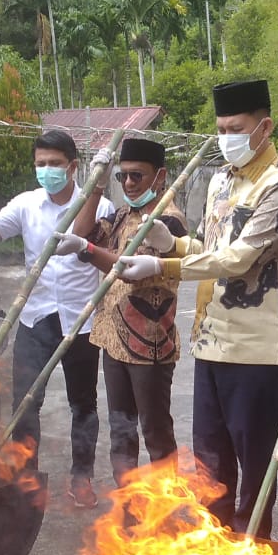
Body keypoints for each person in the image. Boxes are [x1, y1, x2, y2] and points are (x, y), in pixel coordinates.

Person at [116, 80, 278, 538]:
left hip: (254, 345)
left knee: (254, 458)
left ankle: (253, 551)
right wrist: (175, 242)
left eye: (235, 128)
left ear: (264, 127)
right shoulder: (221, 179)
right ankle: (216, 547)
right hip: (211, 339)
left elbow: (239, 258)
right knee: (209, 459)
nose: (226, 138)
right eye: (221, 128)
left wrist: (164, 263)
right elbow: (209, 246)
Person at [0, 129, 112, 508]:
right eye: (40, 164)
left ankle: (81, 478)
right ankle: (27, 479)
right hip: (35, 317)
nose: (47, 170)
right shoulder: (26, 204)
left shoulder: (101, 206)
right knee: (26, 405)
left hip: (82, 320)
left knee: (84, 406)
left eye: (55, 164)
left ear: (73, 167)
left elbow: (94, 247)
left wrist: (95, 191)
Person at [65, 137, 188, 484]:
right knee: (121, 430)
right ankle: (128, 508)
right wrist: (96, 187)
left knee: (155, 432)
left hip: (149, 346)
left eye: (138, 176)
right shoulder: (123, 215)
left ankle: (163, 507)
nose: (130, 184)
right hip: (114, 342)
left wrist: (88, 250)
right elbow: (82, 232)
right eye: (123, 177)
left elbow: (129, 269)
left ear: (160, 176)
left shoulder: (169, 223)